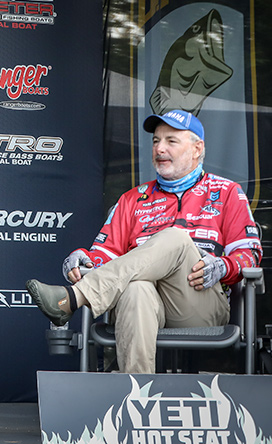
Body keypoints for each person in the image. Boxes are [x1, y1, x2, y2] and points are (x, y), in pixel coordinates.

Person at [26, 109, 262, 374]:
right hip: (144, 305)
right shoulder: (131, 199)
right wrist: (85, 258)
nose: (160, 148)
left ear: (197, 149)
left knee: (175, 236)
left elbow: (249, 255)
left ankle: (75, 297)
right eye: (155, 141)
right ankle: (137, 391)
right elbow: (105, 254)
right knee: (136, 288)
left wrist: (223, 266)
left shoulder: (227, 192)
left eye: (171, 141)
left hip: (198, 305)